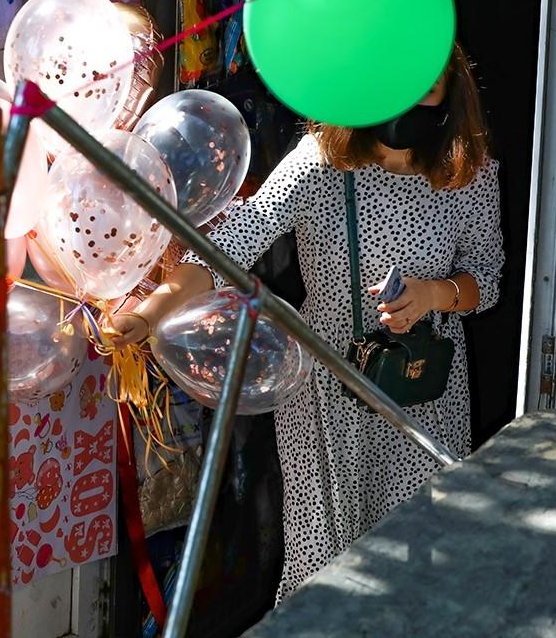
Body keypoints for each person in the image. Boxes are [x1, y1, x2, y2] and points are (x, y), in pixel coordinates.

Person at [112, 44, 505, 601]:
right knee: (324, 568)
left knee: (417, 562)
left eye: (428, 86)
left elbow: (486, 279)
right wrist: (150, 311)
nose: (410, 97)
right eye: (398, 78)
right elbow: (234, 243)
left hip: (423, 393)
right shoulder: (322, 160)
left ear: (450, 92)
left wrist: (432, 295)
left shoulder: (467, 173)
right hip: (326, 391)